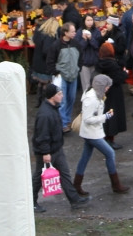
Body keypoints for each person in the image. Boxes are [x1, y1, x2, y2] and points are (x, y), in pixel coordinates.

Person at [33, 83, 90, 212]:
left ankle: (74, 199)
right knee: (38, 178)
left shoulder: (53, 108)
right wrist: (45, 152)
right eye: (59, 94)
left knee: (65, 174)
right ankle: (31, 202)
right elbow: (42, 135)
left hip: (56, 149)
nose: (62, 96)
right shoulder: (45, 114)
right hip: (47, 152)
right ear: (52, 97)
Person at [75, 74, 129, 193]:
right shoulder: (92, 99)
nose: (108, 88)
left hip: (91, 133)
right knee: (110, 153)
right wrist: (105, 117)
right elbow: (87, 119)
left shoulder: (95, 95)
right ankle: (116, 185)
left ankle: (76, 185)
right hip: (92, 133)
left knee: (85, 157)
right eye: (106, 86)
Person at [94, 42, 127, 149]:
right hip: (114, 93)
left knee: (104, 114)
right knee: (112, 117)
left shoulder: (99, 63)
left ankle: (103, 138)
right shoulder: (113, 65)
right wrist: (125, 73)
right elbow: (118, 79)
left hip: (103, 93)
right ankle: (110, 139)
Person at [49, 22, 82, 131]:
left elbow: (81, 57)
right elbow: (50, 60)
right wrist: (55, 72)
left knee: (71, 99)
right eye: (72, 31)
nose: (74, 33)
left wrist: (78, 69)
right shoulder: (56, 45)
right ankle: (62, 123)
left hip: (73, 75)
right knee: (62, 101)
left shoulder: (76, 44)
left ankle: (66, 120)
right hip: (61, 76)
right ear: (65, 32)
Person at [78, 15, 102, 97]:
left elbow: (97, 46)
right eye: (87, 20)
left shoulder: (97, 31)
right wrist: (84, 40)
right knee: (86, 85)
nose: (89, 22)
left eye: (91, 20)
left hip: (95, 61)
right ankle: (86, 103)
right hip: (84, 62)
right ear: (84, 21)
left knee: (96, 84)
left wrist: (91, 38)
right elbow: (79, 48)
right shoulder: (79, 32)